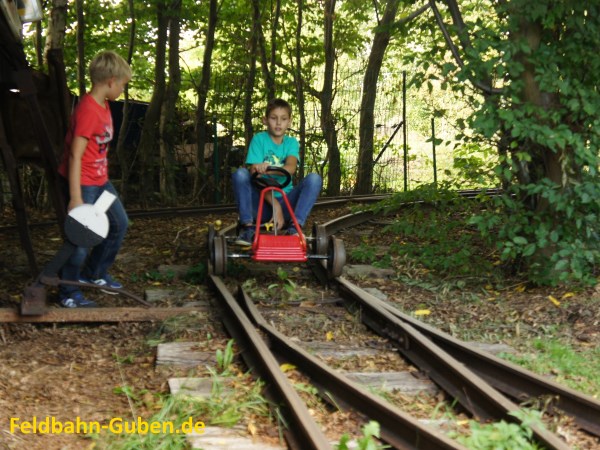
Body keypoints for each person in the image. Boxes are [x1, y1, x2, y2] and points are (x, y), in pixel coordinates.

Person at [56, 50, 131, 307]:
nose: (122, 89)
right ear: (111, 81)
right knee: (80, 239)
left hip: (100, 182)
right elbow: (75, 155)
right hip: (83, 184)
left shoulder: (105, 105)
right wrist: (76, 197)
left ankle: (94, 273)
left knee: (119, 224)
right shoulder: (88, 110)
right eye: (122, 84)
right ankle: (68, 292)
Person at [231, 98, 322, 246]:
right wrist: (275, 205)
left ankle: (295, 228)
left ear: (289, 122)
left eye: (283, 119)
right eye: (274, 118)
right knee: (240, 174)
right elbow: (254, 174)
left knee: (314, 179)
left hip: (286, 204)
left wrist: (266, 171)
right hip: (262, 205)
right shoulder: (259, 140)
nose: (278, 123)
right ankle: (248, 229)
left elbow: (291, 168)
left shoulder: (291, 143)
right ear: (265, 120)